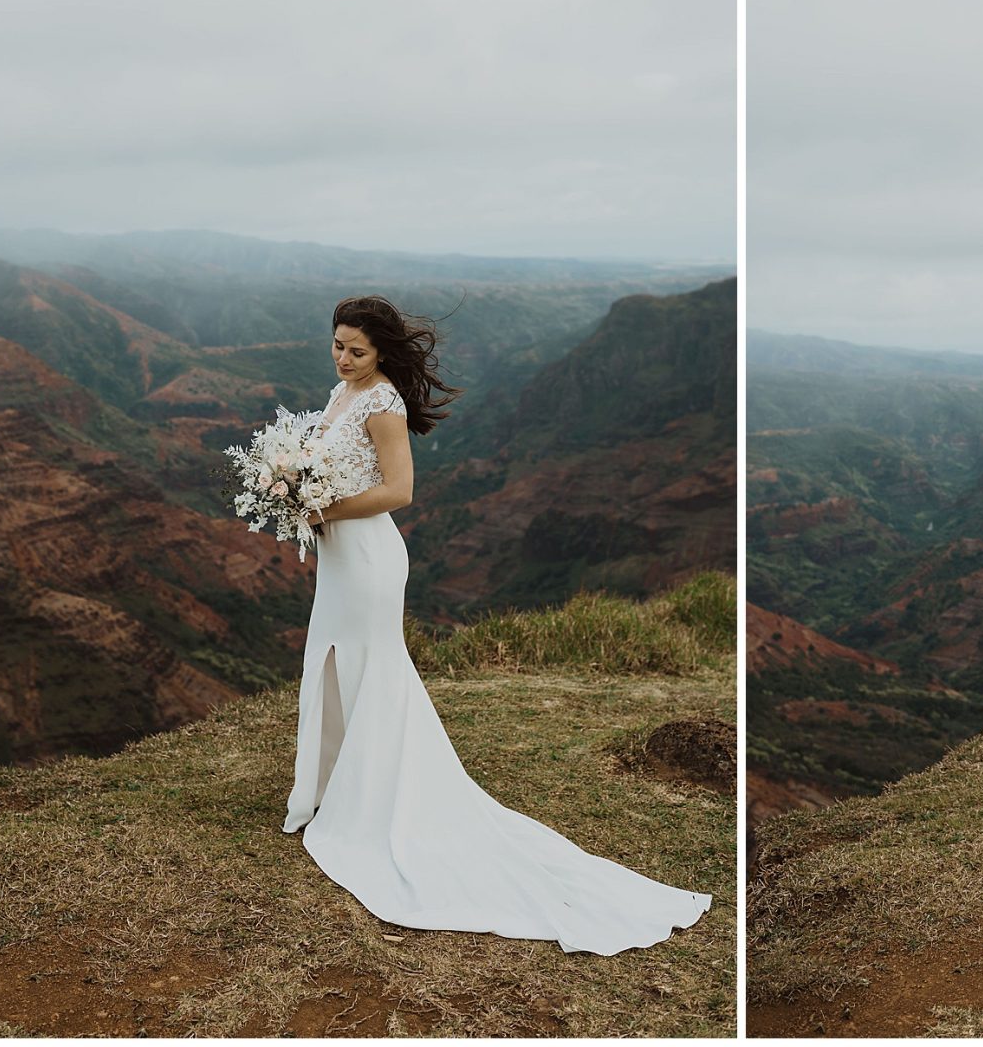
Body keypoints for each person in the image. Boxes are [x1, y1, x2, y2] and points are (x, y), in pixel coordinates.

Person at [281, 294, 712, 955]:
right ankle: (336, 783)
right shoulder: (339, 394)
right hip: (338, 558)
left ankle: (375, 798)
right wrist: (293, 488)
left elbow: (399, 491)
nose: (342, 358)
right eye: (337, 344)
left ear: (382, 353)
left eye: (356, 350)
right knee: (335, 659)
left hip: (366, 555)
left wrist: (322, 506)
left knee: (374, 664)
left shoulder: (384, 405)